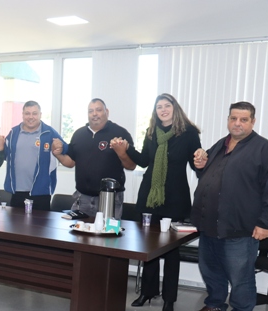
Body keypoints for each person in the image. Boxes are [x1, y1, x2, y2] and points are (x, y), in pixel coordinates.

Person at [115, 94, 204, 311]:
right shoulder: (152, 132)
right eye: (158, 107)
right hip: (149, 197)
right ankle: (147, 292)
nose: (163, 110)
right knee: (149, 248)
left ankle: (169, 299)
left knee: (171, 251)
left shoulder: (189, 133)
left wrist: (202, 159)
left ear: (175, 108)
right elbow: (145, 161)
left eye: (167, 106)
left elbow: (196, 167)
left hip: (175, 198)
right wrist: (125, 150)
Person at [192, 101, 268, 311]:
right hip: (209, 225)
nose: (237, 123)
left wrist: (266, 223)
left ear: (253, 122)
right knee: (211, 272)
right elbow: (208, 175)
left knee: (240, 278)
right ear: (228, 120)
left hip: (240, 229)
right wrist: (201, 165)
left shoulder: (265, 150)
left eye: (243, 119)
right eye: (233, 118)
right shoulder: (220, 145)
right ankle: (214, 305)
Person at [53, 98, 135, 218]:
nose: (94, 114)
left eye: (98, 110)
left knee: (108, 235)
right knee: (77, 235)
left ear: (106, 111)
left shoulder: (120, 133)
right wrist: (57, 154)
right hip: (82, 199)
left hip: (110, 199)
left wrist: (121, 152)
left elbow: (131, 165)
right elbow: (70, 162)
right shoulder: (79, 134)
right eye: (91, 111)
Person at [2, 100, 68, 210]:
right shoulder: (13, 133)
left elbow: (65, 149)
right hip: (17, 192)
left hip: (41, 193)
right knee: (15, 227)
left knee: (40, 227)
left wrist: (60, 147)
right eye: (27, 113)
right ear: (22, 115)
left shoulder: (49, 133)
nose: (31, 117)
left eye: (34, 113)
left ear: (40, 115)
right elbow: (5, 155)